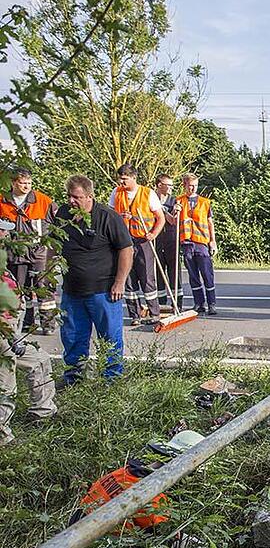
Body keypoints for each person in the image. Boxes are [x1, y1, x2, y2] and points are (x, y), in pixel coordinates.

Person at [58, 175, 133, 385]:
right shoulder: (63, 214)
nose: (72, 201)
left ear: (89, 196)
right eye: (69, 196)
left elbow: (126, 249)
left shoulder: (108, 217)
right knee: (72, 338)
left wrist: (120, 282)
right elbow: (53, 243)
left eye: (77, 197)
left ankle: (112, 380)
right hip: (72, 291)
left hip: (104, 290)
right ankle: (73, 379)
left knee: (110, 338)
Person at [0, 259, 56, 446]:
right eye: (3, 230)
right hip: (3, 333)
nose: (6, 234)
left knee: (39, 360)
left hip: (11, 331)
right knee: (5, 386)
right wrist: (10, 336)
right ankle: (3, 438)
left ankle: (42, 413)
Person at [0, 167, 59, 334]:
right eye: (22, 183)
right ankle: (27, 323)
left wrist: (55, 248)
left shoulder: (42, 200)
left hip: (40, 252)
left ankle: (48, 324)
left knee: (44, 288)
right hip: (15, 254)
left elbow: (59, 222)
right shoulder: (3, 201)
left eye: (29, 183)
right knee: (21, 290)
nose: (26, 186)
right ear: (13, 183)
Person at [109, 163, 164, 325]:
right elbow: (110, 215)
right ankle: (135, 314)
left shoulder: (148, 193)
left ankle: (154, 313)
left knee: (147, 277)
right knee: (128, 278)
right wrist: (120, 216)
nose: (121, 182)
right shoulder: (116, 193)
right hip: (124, 241)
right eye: (120, 179)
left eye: (125, 179)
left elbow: (160, 218)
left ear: (133, 178)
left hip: (143, 241)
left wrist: (153, 233)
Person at [177, 173, 218, 315]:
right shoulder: (179, 202)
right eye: (190, 185)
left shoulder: (205, 202)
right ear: (184, 185)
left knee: (207, 274)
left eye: (195, 185)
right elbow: (173, 221)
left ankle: (211, 304)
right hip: (187, 244)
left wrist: (213, 241)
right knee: (193, 276)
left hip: (202, 243)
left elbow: (210, 222)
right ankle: (199, 303)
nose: (193, 188)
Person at [153, 173, 182, 311]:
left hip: (171, 239)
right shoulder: (150, 199)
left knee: (174, 272)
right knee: (158, 272)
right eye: (168, 185)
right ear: (159, 185)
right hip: (156, 239)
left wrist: (172, 212)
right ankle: (161, 304)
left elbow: (174, 221)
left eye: (172, 185)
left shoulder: (174, 200)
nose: (171, 188)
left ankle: (177, 304)